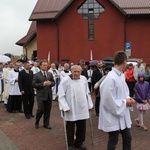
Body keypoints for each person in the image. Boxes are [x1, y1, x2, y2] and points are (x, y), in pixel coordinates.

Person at [98, 51, 135, 150]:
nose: (126, 65)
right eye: (126, 62)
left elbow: (124, 92)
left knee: (127, 138)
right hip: (113, 114)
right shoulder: (111, 77)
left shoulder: (121, 76)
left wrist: (128, 98)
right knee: (113, 140)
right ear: (124, 62)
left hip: (122, 113)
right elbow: (107, 99)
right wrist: (125, 102)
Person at [58, 65, 93, 150]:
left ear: (81, 72)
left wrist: (90, 104)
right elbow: (61, 95)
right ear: (71, 71)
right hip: (71, 107)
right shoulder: (66, 80)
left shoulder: (83, 79)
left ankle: (79, 142)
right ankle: (70, 144)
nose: (77, 73)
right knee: (70, 126)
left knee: (82, 126)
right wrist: (65, 106)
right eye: (75, 71)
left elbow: (87, 92)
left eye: (78, 72)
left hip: (82, 107)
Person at [32, 60, 55, 129]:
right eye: (44, 65)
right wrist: (42, 84)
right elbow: (33, 84)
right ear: (40, 66)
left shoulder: (50, 74)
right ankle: (37, 121)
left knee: (48, 110)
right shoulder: (36, 75)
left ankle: (46, 124)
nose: (45, 66)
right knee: (41, 110)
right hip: (41, 95)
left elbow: (53, 82)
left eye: (46, 65)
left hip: (48, 95)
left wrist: (50, 83)